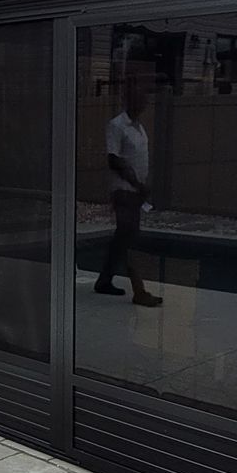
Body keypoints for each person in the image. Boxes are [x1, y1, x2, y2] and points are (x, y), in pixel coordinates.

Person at [96, 78, 162, 307]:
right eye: (139, 98)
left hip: (136, 192)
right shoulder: (117, 126)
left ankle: (104, 280)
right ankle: (139, 290)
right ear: (128, 100)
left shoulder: (139, 128)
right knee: (129, 237)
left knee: (122, 238)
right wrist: (135, 183)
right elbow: (114, 159)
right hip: (125, 191)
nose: (143, 102)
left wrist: (143, 185)